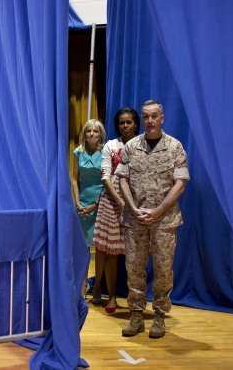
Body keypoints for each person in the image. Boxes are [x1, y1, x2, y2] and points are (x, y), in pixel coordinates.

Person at [115, 100, 190, 339]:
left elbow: (180, 184)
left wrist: (157, 211)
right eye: (145, 116)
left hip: (164, 221)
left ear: (162, 118)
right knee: (134, 268)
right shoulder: (131, 147)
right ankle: (136, 315)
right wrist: (133, 207)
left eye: (154, 116)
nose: (149, 121)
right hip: (135, 218)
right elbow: (123, 179)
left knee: (163, 269)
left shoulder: (174, 147)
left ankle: (159, 316)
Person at [92, 107, 140, 313]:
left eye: (129, 122)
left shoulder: (143, 144)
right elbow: (105, 176)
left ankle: (135, 297)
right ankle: (110, 295)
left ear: (136, 124)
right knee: (110, 251)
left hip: (137, 201)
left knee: (136, 252)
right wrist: (121, 203)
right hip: (112, 202)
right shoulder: (111, 145)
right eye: (121, 122)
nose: (125, 125)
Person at [72, 119, 105, 296]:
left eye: (95, 131)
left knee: (99, 247)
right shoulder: (78, 152)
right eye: (88, 131)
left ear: (101, 135)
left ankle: (98, 285)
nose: (91, 134)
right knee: (83, 247)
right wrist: (77, 202)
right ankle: (83, 284)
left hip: (102, 201)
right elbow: (75, 179)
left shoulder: (106, 151)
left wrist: (95, 205)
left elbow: (109, 181)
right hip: (82, 202)